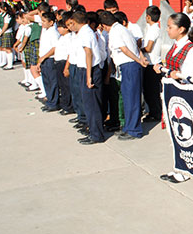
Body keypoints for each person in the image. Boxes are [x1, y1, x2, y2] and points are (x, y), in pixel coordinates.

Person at [154, 13, 193, 183]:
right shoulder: (175, 45)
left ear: (181, 29)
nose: (167, 29)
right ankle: (179, 166)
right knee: (175, 133)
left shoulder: (190, 49)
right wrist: (162, 68)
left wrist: (180, 75)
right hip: (173, 95)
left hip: (185, 97)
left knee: (185, 134)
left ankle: (185, 170)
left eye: (170, 27)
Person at [100, 11, 148, 140]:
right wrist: (140, 58)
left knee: (131, 99)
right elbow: (135, 47)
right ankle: (128, 127)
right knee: (128, 99)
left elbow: (125, 49)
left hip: (130, 66)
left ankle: (134, 130)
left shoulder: (115, 32)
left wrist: (139, 60)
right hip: (128, 66)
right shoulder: (122, 29)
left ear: (104, 25)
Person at [69, 11, 107, 145]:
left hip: (89, 70)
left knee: (92, 104)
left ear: (77, 21)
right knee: (88, 103)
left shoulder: (86, 33)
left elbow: (88, 54)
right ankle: (93, 130)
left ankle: (96, 134)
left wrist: (89, 76)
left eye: (71, 23)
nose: (70, 26)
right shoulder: (85, 32)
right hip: (85, 69)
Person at [141, 5, 163, 122]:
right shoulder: (155, 29)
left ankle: (156, 113)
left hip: (152, 64)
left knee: (151, 91)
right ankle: (154, 112)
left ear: (148, 17)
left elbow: (148, 48)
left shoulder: (153, 30)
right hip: (154, 63)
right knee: (151, 91)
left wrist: (139, 49)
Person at [36, 11, 61, 112]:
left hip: (50, 59)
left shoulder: (54, 32)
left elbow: (55, 48)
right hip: (43, 59)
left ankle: (54, 102)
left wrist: (44, 57)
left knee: (52, 81)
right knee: (46, 80)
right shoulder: (45, 30)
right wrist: (39, 60)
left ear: (51, 22)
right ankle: (50, 100)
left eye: (44, 21)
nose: (42, 23)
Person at [53, 18, 74, 115]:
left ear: (66, 28)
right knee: (62, 85)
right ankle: (65, 104)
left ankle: (69, 106)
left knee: (66, 86)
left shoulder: (69, 38)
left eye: (60, 27)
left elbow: (70, 53)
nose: (58, 29)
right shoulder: (62, 37)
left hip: (64, 63)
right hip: (59, 62)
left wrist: (66, 67)